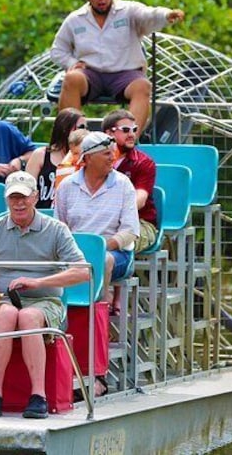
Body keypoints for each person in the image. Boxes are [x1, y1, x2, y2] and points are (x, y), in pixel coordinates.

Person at [0, 171, 88, 419]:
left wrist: (37, 282)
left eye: (24, 197)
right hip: (4, 299)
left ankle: (39, 395)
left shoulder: (56, 229)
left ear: (35, 197)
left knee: (28, 317)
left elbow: (83, 272)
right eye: (13, 197)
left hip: (44, 300)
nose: (18, 203)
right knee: (6, 314)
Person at [50, 0, 186, 133]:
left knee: (143, 86)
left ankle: (129, 141)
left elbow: (148, 14)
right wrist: (72, 63)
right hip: (91, 74)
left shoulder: (128, 10)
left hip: (125, 73)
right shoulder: (75, 19)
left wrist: (166, 14)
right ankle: (72, 139)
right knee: (71, 78)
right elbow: (58, 50)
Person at [54, 132, 140, 314]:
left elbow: (130, 231)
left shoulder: (123, 184)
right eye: (107, 153)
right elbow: (59, 227)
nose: (113, 157)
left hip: (117, 254)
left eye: (113, 152)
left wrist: (99, 247)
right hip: (74, 252)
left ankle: (97, 314)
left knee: (103, 259)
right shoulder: (67, 185)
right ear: (89, 157)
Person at [102, 109, 158, 251]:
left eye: (134, 130)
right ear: (109, 133)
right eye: (125, 130)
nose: (132, 134)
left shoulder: (144, 162)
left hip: (140, 223)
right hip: (103, 220)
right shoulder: (95, 160)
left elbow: (140, 200)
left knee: (114, 244)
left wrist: (108, 212)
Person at [25, 108, 86, 209]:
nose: (84, 132)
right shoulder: (40, 155)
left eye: (86, 128)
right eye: (81, 127)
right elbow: (27, 190)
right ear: (65, 128)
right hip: (43, 216)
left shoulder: (84, 158)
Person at [53, 128, 90, 192]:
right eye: (75, 153)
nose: (80, 157)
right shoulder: (65, 169)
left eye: (83, 152)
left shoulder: (100, 164)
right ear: (71, 152)